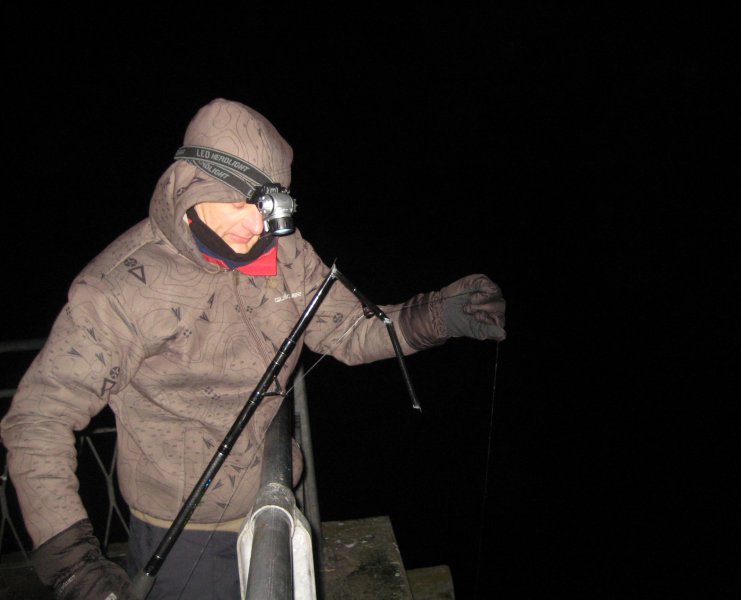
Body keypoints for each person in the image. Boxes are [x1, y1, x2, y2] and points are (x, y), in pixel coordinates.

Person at [0, 98, 506, 600]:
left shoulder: (286, 252)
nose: (252, 227)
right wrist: (73, 565)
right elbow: (37, 418)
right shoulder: (119, 289)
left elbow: (348, 332)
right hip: (178, 531)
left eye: (263, 207)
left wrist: (436, 315)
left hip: (276, 501)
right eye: (236, 203)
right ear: (189, 188)